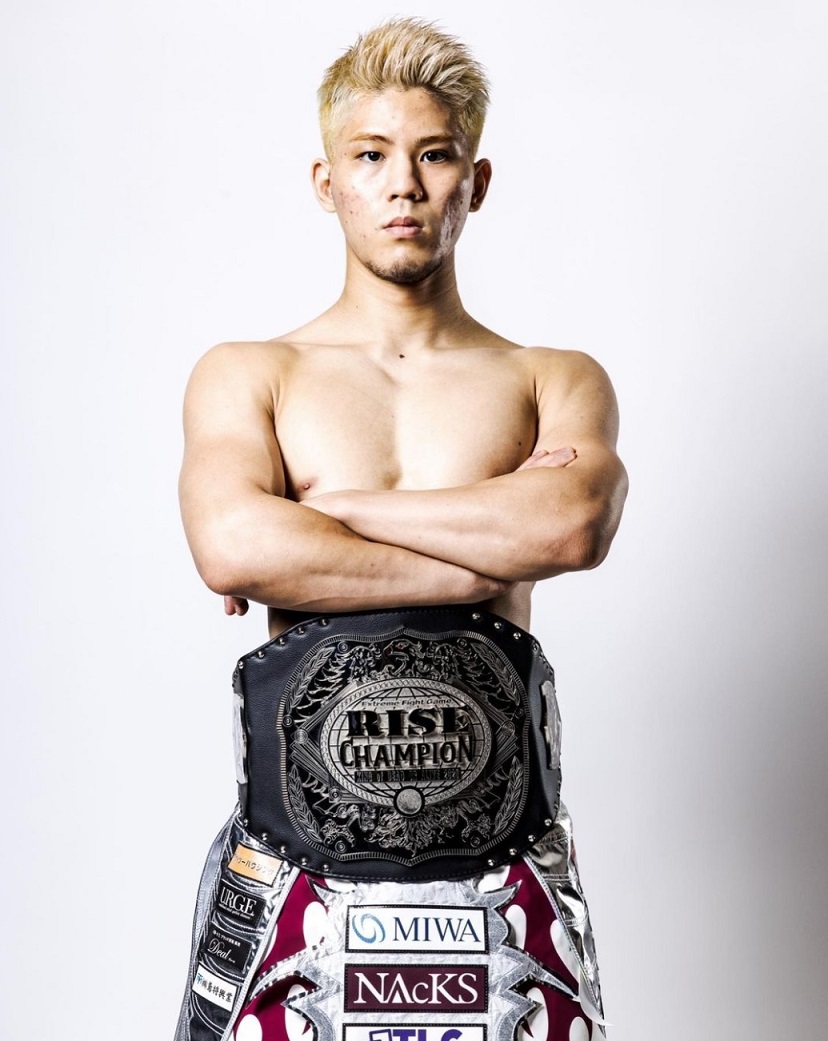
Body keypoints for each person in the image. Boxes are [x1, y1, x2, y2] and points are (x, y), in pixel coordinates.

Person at [175, 18, 627, 1041]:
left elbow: (571, 524)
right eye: (371, 156)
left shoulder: (550, 378)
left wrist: (330, 509)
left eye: (434, 156)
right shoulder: (252, 374)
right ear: (326, 180)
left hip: (500, 877)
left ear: (477, 181)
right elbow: (233, 544)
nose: (404, 187)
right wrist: (478, 557)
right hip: (298, 873)